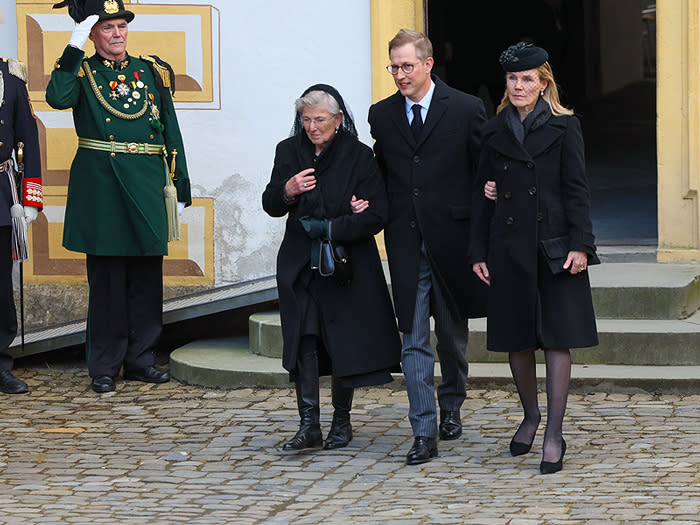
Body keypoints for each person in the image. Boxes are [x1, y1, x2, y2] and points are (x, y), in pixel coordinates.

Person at [46, 0, 191, 393]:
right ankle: (105, 366)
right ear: (93, 34)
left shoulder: (150, 71)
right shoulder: (82, 71)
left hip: (146, 181)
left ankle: (141, 359)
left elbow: (170, 131)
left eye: (121, 26)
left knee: (146, 280)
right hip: (104, 186)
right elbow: (57, 99)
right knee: (108, 282)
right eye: (106, 27)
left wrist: (180, 185)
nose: (116, 34)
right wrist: (73, 45)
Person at [470, 42, 599, 474]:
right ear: (506, 83)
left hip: (555, 247)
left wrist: (581, 245)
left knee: (557, 338)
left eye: (528, 79)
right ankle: (530, 415)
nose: (520, 86)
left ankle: (554, 433)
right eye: (513, 79)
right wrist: (478, 251)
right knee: (517, 338)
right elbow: (481, 195)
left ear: (543, 84)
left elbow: (577, 189)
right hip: (507, 248)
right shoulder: (493, 131)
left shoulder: (566, 127)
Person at [368, 29, 488, 465]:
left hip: (453, 239)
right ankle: (424, 429)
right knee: (412, 336)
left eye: (407, 66)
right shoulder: (380, 115)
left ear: (428, 64)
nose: (400, 74)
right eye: (394, 67)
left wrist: (482, 241)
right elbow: (382, 173)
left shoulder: (466, 108)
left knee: (452, 337)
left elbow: (481, 176)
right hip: (404, 239)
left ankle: (451, 403)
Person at [263, 84, 401, 451]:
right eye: (306, 120)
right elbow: (271, 203)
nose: (312, 127)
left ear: (338, 120)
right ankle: (308, 424)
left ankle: (342, 421)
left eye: (319, 119)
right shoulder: (288, 151)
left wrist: (336, 226)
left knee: (343, 342)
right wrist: (288, 190)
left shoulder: (359, 156)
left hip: (345, 265)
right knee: (304, 339)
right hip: (301, 264)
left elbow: (377, 213)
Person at [0, 57, 43, 394]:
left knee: (0, 286)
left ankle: (0, 363)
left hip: (1, 194)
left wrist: (31, 197)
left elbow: (28, 134)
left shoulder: (10, 76)